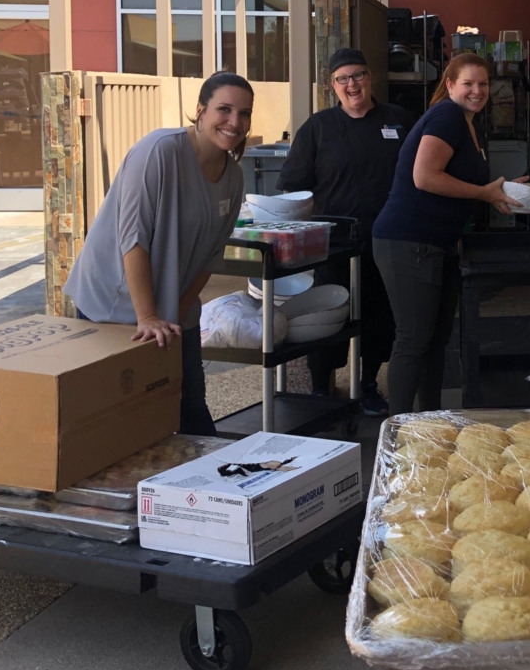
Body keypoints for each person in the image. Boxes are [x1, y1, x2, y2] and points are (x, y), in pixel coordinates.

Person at [63, 71, 251, 434]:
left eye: (244, 114)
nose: (234, 121)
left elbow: (211, 256)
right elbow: (132, 239)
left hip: (173, 311)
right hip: (115, 307)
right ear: (200, 109)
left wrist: (175, 315)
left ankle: (208, 486)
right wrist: (148, 317)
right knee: (119, 418)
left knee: (190, 405)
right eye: (224, 109)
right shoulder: (159, 151)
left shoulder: (234, 176)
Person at [372, 53, 523, 414]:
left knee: (436, 341)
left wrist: (502, 191)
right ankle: (397, 435)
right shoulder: (447, 115)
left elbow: (460, 181)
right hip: (409, 240)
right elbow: (424, 177)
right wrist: (484, 193)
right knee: (413, 340)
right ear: (450, 85)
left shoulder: (469, 124)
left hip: (436, 243)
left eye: (483, 84)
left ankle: (429, 421)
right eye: (468, 83)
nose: (477, 90)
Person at [278, 48, 415, 417]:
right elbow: (293, 186)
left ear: (370, 78)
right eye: (343, 78)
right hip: (333, 246)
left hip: (386, 240)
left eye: (357, 75)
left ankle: (368, 384)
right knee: (326, 314)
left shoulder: (398, 121)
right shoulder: (318, 128)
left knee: (379, 318)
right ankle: (322, 386)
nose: (351, 84)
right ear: (332, 85)